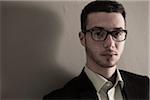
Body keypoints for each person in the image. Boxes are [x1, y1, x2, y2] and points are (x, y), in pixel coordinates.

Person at [43, 0, 149, 100]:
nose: (110, 44)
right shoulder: (59, 98)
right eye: (98, 33)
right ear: (82, 38)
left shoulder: (146, 87)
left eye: (117, 33)